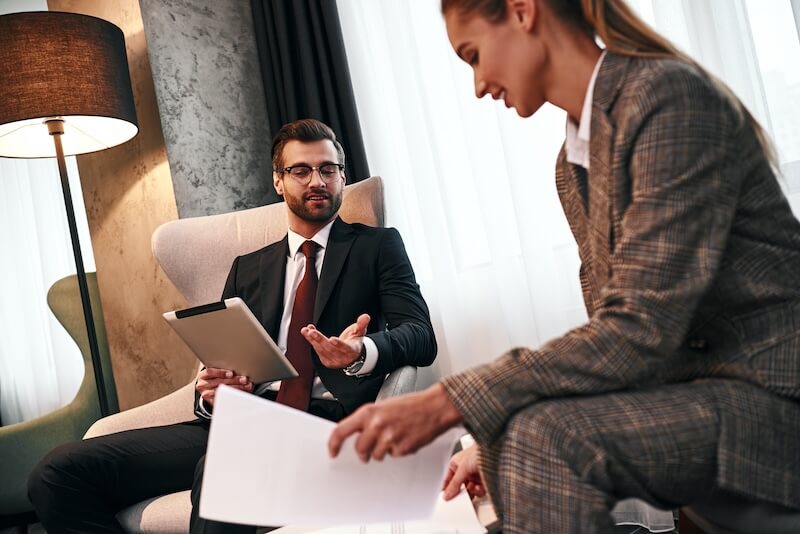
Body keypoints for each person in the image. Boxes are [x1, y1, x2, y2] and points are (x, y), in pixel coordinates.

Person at [327, 1, 800, 532]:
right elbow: (612, 343)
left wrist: (449, 402)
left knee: (543, 438)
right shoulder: (571, 164)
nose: (480, 84)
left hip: (773, 402)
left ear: (523, 11)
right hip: (699, 396)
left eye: (475, 56)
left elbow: (637, 332)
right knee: (514, 437)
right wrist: (491, 434)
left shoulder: (668, 98)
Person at [28, 118, 437, 534]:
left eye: (328, 169)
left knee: (224, 464)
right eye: (301, 170)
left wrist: (361, 353)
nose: (317, 180)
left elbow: (421, 337)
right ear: (278, 181)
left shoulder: (377, 246)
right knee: (57, 474)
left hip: (322, 423)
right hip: (236, 420)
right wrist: (213, 391)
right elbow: (221, 363)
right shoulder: (248, 267)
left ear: (342, 177)